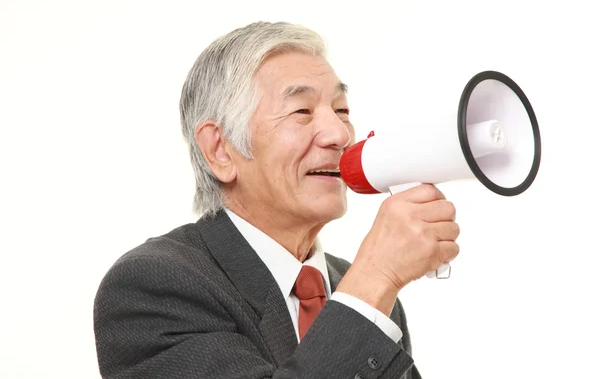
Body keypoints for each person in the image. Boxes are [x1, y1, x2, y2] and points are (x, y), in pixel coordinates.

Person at [93, 21, 460, 379]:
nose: (339, 134)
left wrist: (371, 285)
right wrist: (376, 276)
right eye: (301, 111)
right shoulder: (153, 287)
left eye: (342, 110)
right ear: (220, 150)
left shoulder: (358, 289)